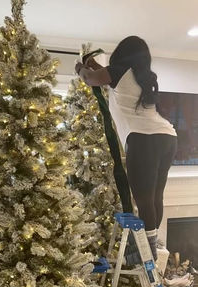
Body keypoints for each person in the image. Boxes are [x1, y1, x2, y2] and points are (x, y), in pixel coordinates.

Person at [75, 36, 177, 262]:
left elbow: (91, 79)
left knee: (143, 198)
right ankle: (152, 245)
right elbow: (104, 74)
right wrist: (92, 64)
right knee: (154, 196)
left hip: (144, 139)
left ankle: (147, 254)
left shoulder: (119, 70)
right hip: (168, 136)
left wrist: (80, 68)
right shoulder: (142, 76)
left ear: (123, 53)